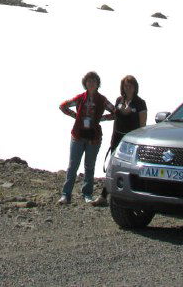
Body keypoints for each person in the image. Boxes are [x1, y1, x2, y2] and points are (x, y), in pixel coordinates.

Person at [58, 71, 115, 204]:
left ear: (97, 84)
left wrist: (101, 119)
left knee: (89, 166)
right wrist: (76, 116)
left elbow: (114, 112)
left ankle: (87, 194)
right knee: (73, 165)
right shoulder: (80, 98)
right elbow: (62, 106)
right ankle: (66, 194)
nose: (91, 83)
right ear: (85, 83)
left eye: (94, 81)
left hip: (93, 137)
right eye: (89, 81)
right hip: (78, 135)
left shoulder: (102, 100)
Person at [91, 74, 147, 207]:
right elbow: (115, 118)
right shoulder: (118, 100)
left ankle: (131, 196)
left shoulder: (140, 103)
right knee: (112, 166)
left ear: (135, 87)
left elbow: (142, 124)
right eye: (125, 86)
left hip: (131, 141)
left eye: (130, 86)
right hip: (116, 138)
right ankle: (104, 196)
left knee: (130, 168)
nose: (128, 88)